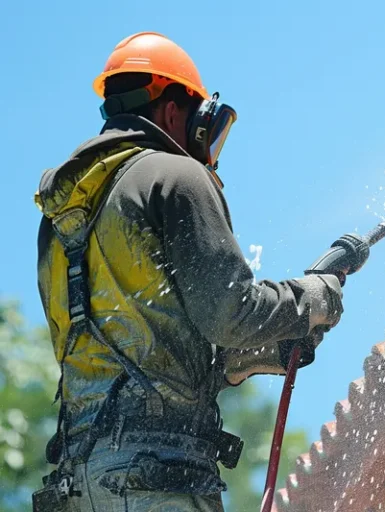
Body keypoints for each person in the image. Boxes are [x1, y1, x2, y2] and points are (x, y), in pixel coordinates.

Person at [32, 32, 343, 512]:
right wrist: (312, 298)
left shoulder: (62, 220)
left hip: (78, 485)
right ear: (174, 111)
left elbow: (142, 352)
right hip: (157, 479)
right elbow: (231, 313)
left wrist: (253, 356)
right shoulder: (174, 176)